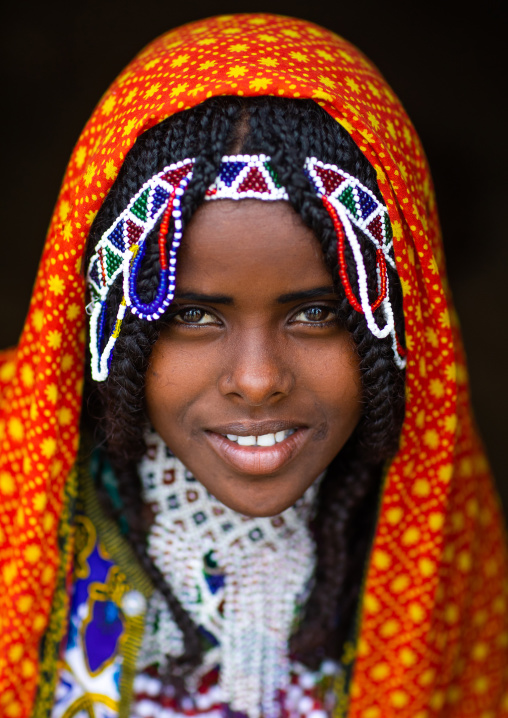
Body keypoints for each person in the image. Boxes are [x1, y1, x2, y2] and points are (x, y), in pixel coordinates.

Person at [0, 13, 506, 718]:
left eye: (317, 313)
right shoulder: (13, 494)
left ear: (399, 321)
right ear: (112, 313)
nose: (259, 378)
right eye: (193, 315)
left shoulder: (441, 539)